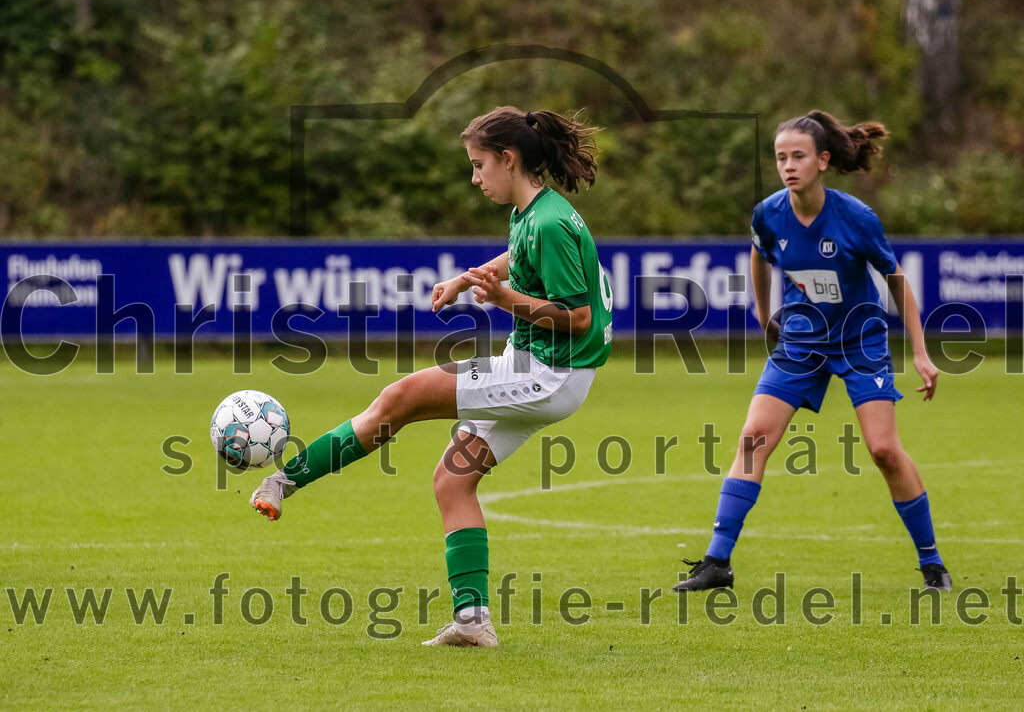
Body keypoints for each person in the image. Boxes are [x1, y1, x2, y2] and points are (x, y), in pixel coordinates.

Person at [250, 106, 614, 646]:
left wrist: (505, 299)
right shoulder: (534, 213)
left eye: (478, 164)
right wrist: (469, 280)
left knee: (402, 397)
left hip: (549, 373)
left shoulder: (550, 221)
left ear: (508, 160)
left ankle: (283, 480)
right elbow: (518, 257)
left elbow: (577, 316)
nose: (474, 177)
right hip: (542, 369)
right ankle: (473, 623)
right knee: (452, 480)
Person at [674, 110, 953, 594]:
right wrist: (764, 316)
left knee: (884, 450)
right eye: (781, 157)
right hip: (801, 340)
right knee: (753, 437)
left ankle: (932, 565)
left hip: (860, 339)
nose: (788, 165)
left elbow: (897, 280)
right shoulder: (768, 213)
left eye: (798, 156)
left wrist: (921, 352)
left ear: (823, 160)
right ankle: (717, 563)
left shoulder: (855, 218)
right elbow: (759, 254)